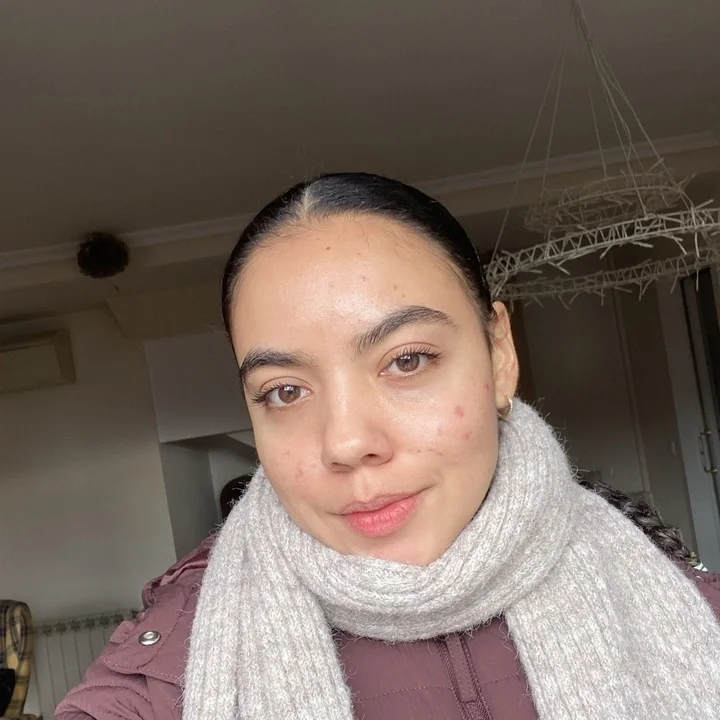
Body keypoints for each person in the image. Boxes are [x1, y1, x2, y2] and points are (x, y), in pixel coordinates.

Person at [56, 173, 720, 720]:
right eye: (285, 391)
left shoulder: (677, 597)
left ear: (499, 354)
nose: (347, 442)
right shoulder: (172, 659)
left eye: (406, 360)